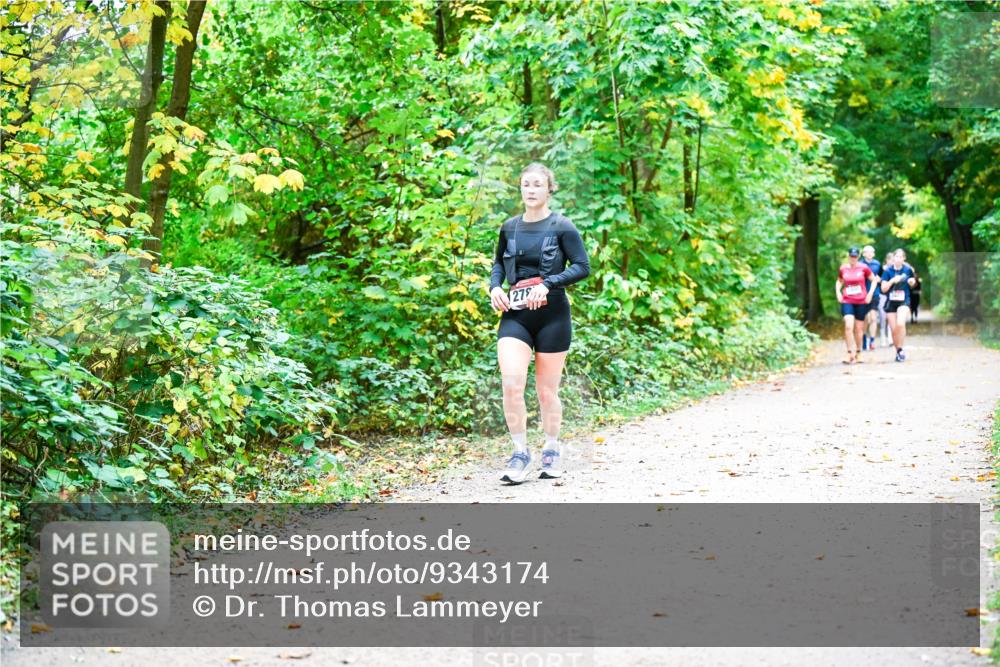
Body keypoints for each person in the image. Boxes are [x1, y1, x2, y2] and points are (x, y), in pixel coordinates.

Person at [489, 163, 590, 484]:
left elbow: (582, 266)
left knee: (547, 392)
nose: (530, 190)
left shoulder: (562, 226)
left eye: (537, 185)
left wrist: (549, 283)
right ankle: (520, 452)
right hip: (515, 315)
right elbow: (497, 266)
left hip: (553, 315)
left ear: (549, 189)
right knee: (511, 384)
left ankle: (551, 448)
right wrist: (494, 288)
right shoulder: (509, 227)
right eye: (525, 185)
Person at [835, 246, 878, 364]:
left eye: (855, 256)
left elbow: (874, 280)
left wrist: (870, 294)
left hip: (861, 301)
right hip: (847, 300)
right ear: (848, 256)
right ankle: (849, 353)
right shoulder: (843, 268)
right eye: (851, 256)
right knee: (848, 325)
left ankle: (859, 352)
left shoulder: (864, 267)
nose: (853, 258)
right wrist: (838, 292)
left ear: (858, 257)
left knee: (859, 328)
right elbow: (839, 281)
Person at [880, 248, 916, 362]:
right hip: (891, 303)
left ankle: (900, 349)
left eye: (901, 257)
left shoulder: (907, 269)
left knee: (900, 324)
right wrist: (892, 281)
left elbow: (912, 281)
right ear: (893, 258)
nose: (898, 259)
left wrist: (911, 282)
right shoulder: (887, 271)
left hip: (903, 300)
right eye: (896, 257)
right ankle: (899, 351)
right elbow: (883, 288)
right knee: (894, 329)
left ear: (904, 258)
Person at [860, 245, 882, 351]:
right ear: (863, 254)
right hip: (862, 295)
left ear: (874, 254)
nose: (869, 254)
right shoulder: (859, 264)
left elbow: (883, 277)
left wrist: (880, 279)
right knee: (865, 319)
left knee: (873, 318)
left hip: (875, 294)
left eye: (871, 252)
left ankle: (872, 340)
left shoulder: (877, 264)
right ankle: (864, 338)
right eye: (867, 252)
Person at [879, 251, 894, 347]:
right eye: (892, 260)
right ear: (887, 260)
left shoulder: (895, 269)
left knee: (890, 317)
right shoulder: (882, 269)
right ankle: (882, 338)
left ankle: (890, 338)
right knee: (883, 317)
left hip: (892, 295)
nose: (893, 262)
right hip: (882, 295)